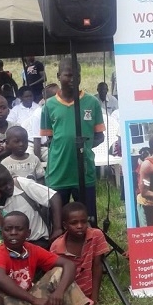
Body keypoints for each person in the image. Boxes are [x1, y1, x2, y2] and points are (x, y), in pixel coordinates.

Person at [0, 211, 116, 305]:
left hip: (28, 301)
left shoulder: (31, 249)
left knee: (59, 271)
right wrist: (34, 299)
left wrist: (59, 292)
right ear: (1, 233)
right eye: (8, 229)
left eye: (19, 229)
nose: (13, 233)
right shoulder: (0, 253)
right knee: (7, 293)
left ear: (28, 233)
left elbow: (69, 265)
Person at [40, 59, 105, 224]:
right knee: (57, 221)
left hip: (84, 171)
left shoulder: (92, 102)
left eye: (77, 75)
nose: (72, 79)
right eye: (68, 75)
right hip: (58, 172)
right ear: (58, 76)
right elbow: (49, 138)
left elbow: (99, 136)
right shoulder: (49, 106)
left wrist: (85, 146)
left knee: (88, 221)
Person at [0, 163, 64, 248]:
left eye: (10, 180)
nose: (9, 186)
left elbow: (53, 197)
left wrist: (57, 228)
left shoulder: (21, 184)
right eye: (3, 185)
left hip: (39, 243)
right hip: (11, 247)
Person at [50, 202, 109, 304]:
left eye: (84, 222)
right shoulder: (56, 247)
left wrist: (94, 298)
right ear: (65, 225)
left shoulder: (96, 235)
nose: (80, 226)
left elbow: (97, 266)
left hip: (87, 290)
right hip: (67, 292)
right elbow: (55, 276)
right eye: (74, 223)